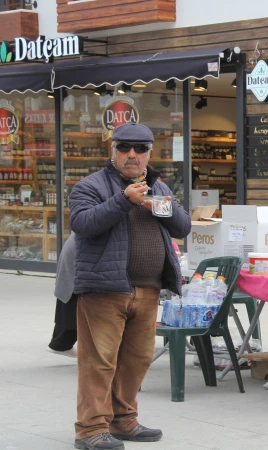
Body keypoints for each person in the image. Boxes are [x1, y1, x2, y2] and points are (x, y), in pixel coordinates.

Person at [68, 123, 191, 450]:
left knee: (137, 359)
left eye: (139, 149)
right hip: (104, 290)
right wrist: (124, 201)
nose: (131, 155)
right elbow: (82, 224)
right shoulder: (90, 186)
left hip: (148, 289)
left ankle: (124, 420)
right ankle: (91, 429)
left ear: (150, 153)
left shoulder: (158, 187)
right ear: (113, 150)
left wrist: (157, 205)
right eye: (124, 148)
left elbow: (183, 225)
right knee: (99, 362)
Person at [47, 232, 78, 358]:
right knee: (73, 303)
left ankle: (60, 344)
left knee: (71, 302)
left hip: (77, 255)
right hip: (79, 258)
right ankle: (60, 344)